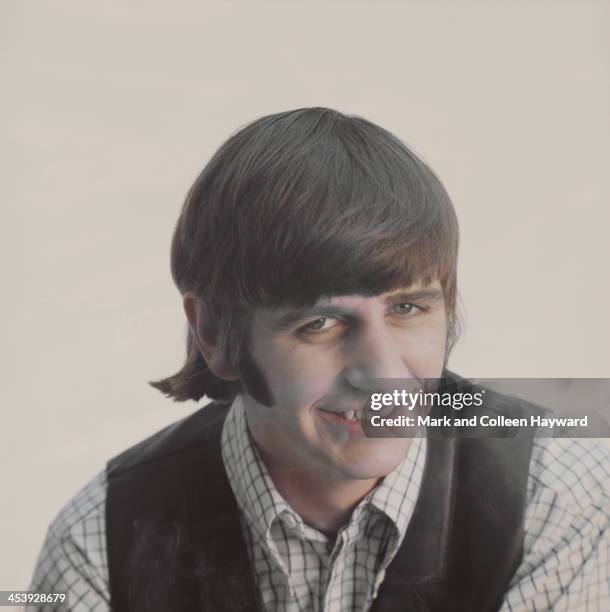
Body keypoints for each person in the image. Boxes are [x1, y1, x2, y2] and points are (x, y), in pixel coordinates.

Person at [30, 108, 610, 611]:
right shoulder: (101, 541)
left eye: (407, 308)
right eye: (321, 323)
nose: (382, 372)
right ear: (214, 333)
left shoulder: (559, 493)